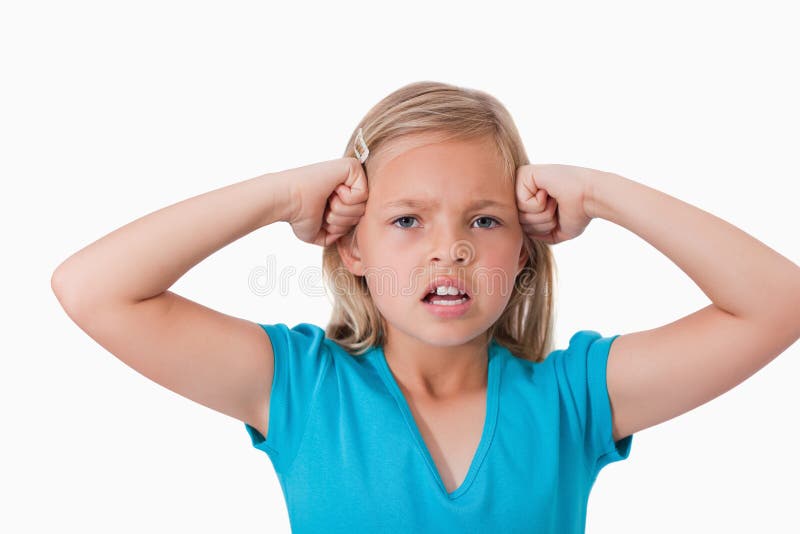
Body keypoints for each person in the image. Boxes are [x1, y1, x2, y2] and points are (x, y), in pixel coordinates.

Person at [51, 81, 800, 533]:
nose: (451, 251)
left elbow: (777, 304)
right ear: (351, 248)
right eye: (408, 220)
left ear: (527, 251)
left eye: (484, 220)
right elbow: (92, 289)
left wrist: (601, 192)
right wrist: (284, 194)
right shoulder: (302, 390)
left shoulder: (574, 400)